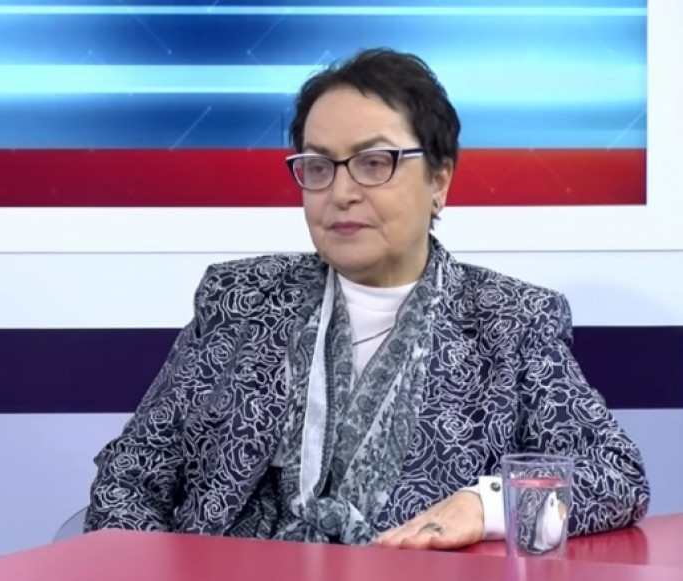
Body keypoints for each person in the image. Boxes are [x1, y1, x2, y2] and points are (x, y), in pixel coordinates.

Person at [84, 48, 649, 549]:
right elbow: (130, 476)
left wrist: (484, 506)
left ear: (439, 180)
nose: (341, 192)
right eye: (318, 166)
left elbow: (616, 474)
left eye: (374, 163)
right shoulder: (240, 301)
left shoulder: (509, 322)